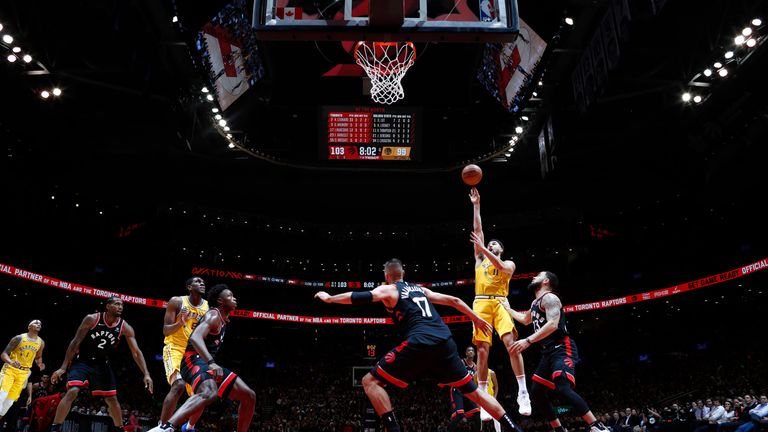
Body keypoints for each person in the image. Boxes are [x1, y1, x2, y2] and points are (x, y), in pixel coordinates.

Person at [314, 258, 524, 432]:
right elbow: (455, 301)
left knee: (370, 381)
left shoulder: (389, 289)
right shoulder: (420, 289)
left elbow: (359, 297)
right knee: (476, 393)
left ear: (387, 276)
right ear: (403, 272)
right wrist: (476, 319)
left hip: (420, 342)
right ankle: (514, 428)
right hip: (445, 341)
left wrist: (330, 298)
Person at [502, 271, 610, 432]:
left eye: (538, 275)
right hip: (547, 352)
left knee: (563, 387)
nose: (533, 277)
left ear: (545, 281)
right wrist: (508, 309)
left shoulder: (550, 298)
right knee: (536, 392)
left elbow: (553, 324)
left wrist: (528, 340)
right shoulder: (535, 303)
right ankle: (559, 429)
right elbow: (525, 320)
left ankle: (596, 425)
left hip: (562, 347)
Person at [149, 284, 256, 432]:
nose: (234, 298)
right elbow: (195, 337)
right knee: (208, 392)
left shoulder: (223, 319)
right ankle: (167, 427)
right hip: (191, 359)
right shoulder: (213, 315)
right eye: (230, 296)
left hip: (204, 362)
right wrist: (211, 363)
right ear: (220, 301)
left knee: (249, 396)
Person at [468, 187, 531, 418]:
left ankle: (522, 392)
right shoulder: (479, 259)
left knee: (511, 344)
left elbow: (502, 267)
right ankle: (484, 397)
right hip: (481, 304)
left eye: (495, 245)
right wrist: (476, 205)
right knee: (482, 351)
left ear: (501, 250)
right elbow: (478, 229)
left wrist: (485, 248)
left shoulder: (509, 264)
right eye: (489, 244)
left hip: (501, 303)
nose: (490, 245)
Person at [50, 297, 153, 432]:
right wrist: (63, 367)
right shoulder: (92, 319)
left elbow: (136, 352)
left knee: (112, 399)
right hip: (82, 361)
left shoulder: (124, 327)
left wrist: (146, 373)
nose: (120, 307)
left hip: (101, 364)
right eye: (117, 304)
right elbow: (75, 343)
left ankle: (119, 429)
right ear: (108, 306)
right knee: (73, 391)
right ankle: (55, 427)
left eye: (122, 305)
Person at [160, 277, 209, 432]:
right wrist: (181, 322)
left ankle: (189, 427)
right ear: (189, 287)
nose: (202, 284)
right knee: (179, 385)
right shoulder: (177, 302)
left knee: (202, 393)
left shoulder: (208, 307)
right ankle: (162, 428)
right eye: (198, 281)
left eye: (203, 282)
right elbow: (166, 330)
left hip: (193, 353)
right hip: (175, 348)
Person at [0, 319, 45, 424]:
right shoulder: (19, 338)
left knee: (9, 402)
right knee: (2, 395)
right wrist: (11, 362)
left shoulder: (41, 342)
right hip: (10, 369)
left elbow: (38, 357)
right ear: (29, 326)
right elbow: (3, 354)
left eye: (40, 324)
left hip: (23, 373)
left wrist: (40, 363)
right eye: (36, 323)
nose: (39, 324)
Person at [448, 346, 481, 432]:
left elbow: (475, 382)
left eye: (472, 350)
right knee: (459, 415)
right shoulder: (462, 362)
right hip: (457, 389)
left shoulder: (475, 367)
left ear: (474, 353)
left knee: (477, 414)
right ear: (466, 353)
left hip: (468, 392)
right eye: (469, 350)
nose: (471, 351)